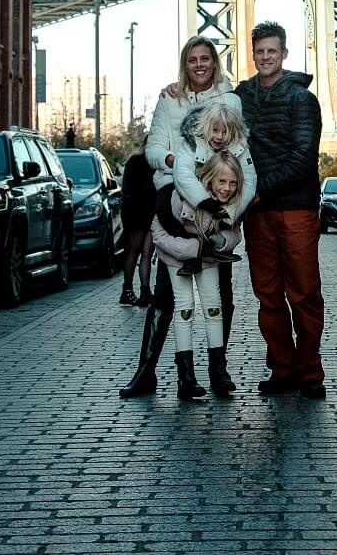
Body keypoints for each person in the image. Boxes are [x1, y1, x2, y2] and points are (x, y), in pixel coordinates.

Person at [117, 35, 242, 399]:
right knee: (166, 294)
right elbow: (154, 148)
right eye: (192, 60)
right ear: (185, 64)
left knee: (221, 292)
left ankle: (218, 371)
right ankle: (151, 372)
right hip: (175, 203)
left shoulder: (227, 99)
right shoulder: (169, 99)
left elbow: (237, 144)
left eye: (205, 59)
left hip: (215, 201)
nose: (199, 65)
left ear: (214, 63)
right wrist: (173, 161)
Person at [236, 20, 326, 400]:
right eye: (260, 51)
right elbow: (202, 112)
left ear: (284, 54)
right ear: (253, 54)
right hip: (258, 215)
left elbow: (302, 159)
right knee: (268, 296)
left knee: (303, 293)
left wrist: (257, 193)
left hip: (295, 210)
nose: (266, 57)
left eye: (272, 50)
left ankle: (309, 372)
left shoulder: (302, 99)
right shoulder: (240, 96)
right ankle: (282, 369)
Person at [151, 150, 248, 400]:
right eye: (222, 182)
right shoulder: (181, 197)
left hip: (208, 257)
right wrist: (194, 249)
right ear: (209, 179)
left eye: (232, 183)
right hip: (177, 256)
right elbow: (158, 230)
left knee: (213, 306)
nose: (226, 188)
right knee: (184, 307)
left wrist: (219, 242)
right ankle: (185, 378)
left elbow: (235, 233)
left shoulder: (231, 204)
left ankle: (219, 371)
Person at [118, 136, 155, 307]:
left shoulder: (157, 163)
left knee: (146, 252)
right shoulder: (135, 161)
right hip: (136, 214)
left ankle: (145, 291)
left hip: (151, 214)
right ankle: (127, 290)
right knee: (133, 251)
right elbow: (128, 190)